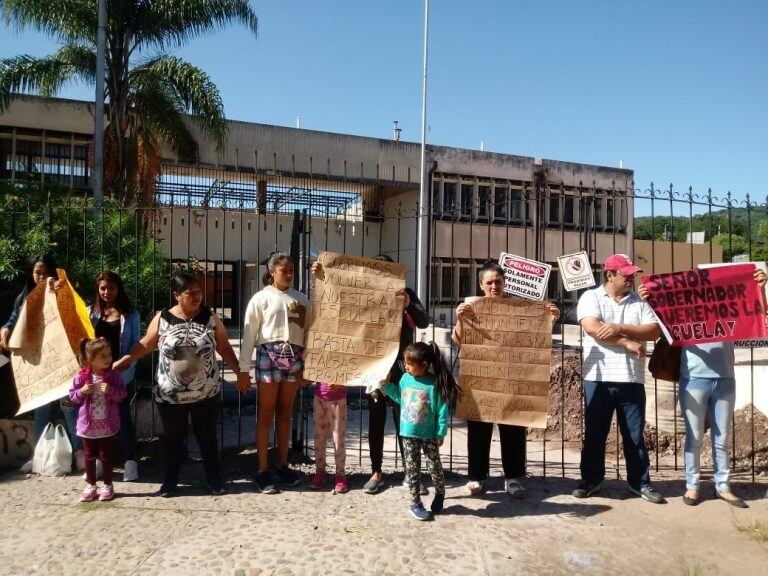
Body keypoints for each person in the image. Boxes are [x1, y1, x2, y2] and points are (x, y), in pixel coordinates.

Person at [638, 268, 768, 508]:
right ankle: (693, 485)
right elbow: (663, 323)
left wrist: (759, 289)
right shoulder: (685, 313)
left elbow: (758, 316)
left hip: (725, 379)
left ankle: (723, 486)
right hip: (695, 379)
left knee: (722, 438)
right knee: (694, 437)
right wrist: (650, 299)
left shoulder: (732, 310)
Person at [113, 271, 244, 497]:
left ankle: (215, 479)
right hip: (169, 395)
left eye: (198, 292)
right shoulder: (163, 317)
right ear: (177, 295)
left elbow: (223, 345)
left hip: (206, 392)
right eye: (190, 292)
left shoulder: (210, 317)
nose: (196, 296)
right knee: (172, 439)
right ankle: (170, 482)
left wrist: (239, 372)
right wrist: (128, 358)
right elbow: (147, 343)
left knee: (208, 438)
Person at [311, 253, 431, 495]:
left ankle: (410, 472)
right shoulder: (363, 294)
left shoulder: (405, 292)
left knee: (404, 422)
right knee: (376, 422)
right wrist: (321, 276)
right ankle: (376, 472)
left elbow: (424, 321)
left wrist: (408, 304)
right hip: (374, 370)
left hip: (401, 370)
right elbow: (334, 304)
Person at [453, 261, 560, 498]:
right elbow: (461, 342)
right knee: (478, 428)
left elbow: (534, 340)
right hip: (481, 380)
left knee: (513, 427)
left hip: (512, 380)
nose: (494, 286)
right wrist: (460, 319)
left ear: (504, 283)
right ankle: (477, 477)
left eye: (498, 281)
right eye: (489, 282)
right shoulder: (471, 307)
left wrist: (549, 320)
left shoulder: (519, 308)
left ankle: (512, 478)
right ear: (481, 285)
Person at [573, 253, 664, 504]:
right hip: (598, 378)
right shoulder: (591, 297)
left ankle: (640, 483)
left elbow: (654, 331)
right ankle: (591, 479)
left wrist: (619, 327)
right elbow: (592, 328)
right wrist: (626, 341)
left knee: (634, 435)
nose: (631, 279)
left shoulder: (640, 301)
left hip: (632, 378)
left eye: (633, 274)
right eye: (626, 275)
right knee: (595, 434)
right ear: (610, 274)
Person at [0, 255, 83, 472]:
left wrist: (58, 293)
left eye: (45, 272)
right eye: (37, 272)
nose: (41, 276)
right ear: (31, 273)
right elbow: (13, 320)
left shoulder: (61, 292)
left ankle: (80, 453)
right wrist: (5, 329)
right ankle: (39, 455)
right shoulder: (24, 297)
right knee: (41, 408)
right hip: (38, 365)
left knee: (69, 407)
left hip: (62, 362)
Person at [239, 252, 308, 494]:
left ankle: (282, 464)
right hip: (268, 355)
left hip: (295, 357)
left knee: (285, 412)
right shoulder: (261, 298)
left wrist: (306, 367)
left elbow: (308, 334)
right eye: (283, 270)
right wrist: (243, 370)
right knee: (266, 412)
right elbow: (249, 335)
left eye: (291, 269)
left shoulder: (302, 300)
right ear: (271, 271)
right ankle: (262, 469)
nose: (288, 273)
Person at [383, 341, 457, 520]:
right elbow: (401, 399)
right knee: (412, 469)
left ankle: (440, 493)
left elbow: (441, 409)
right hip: (408, 434)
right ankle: (415, 502)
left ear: (423, 365)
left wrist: (441, 431)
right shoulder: (404, 379)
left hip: (429, 434)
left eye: (409, 364)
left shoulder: (434, 383)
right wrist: (386, 386)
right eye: (405, 363)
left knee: (434, 465)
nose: (406, 367)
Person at [88, 271, 141, 481]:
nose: (106, 292)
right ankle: (100, 461)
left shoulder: (131, 314)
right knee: (96, 418)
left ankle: (131, 461)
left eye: (110, 288)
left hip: (121, 374)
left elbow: (137, 345)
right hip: (96, 376)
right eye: (102, 288)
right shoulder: (91, 312)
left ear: (118, 289)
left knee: (123, 417)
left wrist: (123, 364)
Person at [70, 338, 127, 502]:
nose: (108, 358)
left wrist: (111, 390)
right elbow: (73, 397)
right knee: (89, 456)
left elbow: (122, 394)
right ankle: (91, 485)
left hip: (106, 425)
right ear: (90, 359)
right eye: (103, 356)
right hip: (88, 426)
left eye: (109, 354)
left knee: (105, 455)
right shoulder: (81, 377)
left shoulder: (114, 376)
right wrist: (82, 391)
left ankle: (108, 484)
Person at [308, 382, 348, 494]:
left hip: (338, 398)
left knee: (338, 437)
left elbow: (351, 371)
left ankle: (340, 474)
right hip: (319, 396)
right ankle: (320, 470)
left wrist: (341, 383)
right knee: (318, 436)